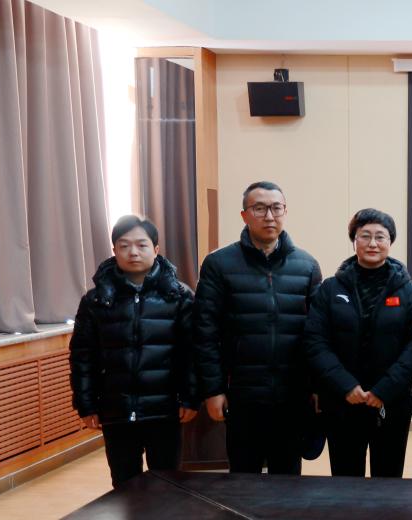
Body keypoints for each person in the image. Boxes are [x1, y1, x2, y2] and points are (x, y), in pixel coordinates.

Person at [193, 181, 322, 474]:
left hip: (291, 396)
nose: (269, 216)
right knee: (243, 479)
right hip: (242, 395)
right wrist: (212, 390)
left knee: (287, 479)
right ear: (244, 215)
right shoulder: (218, 264)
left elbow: (317, 336)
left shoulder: (307, 266)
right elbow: (205, 332)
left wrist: (317, 388)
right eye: (259, 208)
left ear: (285, 211)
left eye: (276, 208)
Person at [69, 215, 198, 488]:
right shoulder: (95, 300)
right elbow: (82, 356)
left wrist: (190, 397)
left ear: (156, 249)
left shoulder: (179, 296)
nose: (133, 252)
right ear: (114, 250)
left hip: (165, 411)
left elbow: (192, 353)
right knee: (124, 485)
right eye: (124, 245)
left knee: (168, 485)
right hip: (116, 410)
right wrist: (86, 403)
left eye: (141, 245)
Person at [304, 209, 412, 478]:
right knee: (346, 481)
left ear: (390, 242)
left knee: (388, 481)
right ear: (354, 241)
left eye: (380, 237)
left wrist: (385, 389)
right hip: (342, 401)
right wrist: (345, 385)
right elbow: (315, 341)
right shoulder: (331, 289)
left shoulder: (408, 291)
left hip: (392, 403)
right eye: (365, 236)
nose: (373, 243)